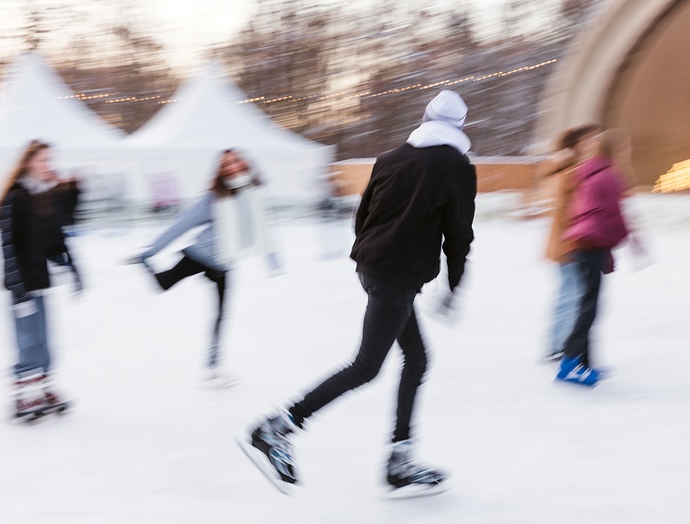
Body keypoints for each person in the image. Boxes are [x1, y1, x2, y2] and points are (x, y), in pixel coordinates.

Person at [239, 90, 477, 495]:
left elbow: (362, 215)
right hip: (397, 277)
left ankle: (400, 459)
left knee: (417, 359)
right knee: (366, 366)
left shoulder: (390, 158)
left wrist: (376, 255)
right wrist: (454, 285)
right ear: (459, 128)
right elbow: (458, 236)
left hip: (374, 267)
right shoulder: (457, 167)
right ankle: (277, 427)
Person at [128, 149, 278, 387]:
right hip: (201, 255)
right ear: (221, 171)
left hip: (224, 263)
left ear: (245, 162)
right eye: (226, 164)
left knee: (221, 315)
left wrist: (272, 260)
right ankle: (144, 263)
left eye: (236, 160)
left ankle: (214, 366)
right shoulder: (213, 199)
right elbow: (181, 225)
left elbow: (262, 228)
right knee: (163, 284)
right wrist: (151, 250)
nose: (232, 166)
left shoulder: (251, 195)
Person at [0, 139, 81, 420]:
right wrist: (19, 290)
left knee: (44, 340)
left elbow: (55, 240)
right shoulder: (15, 197)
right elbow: (8, 246)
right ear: (29, 162)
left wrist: (73, 269)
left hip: (40, 281)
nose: (48, 165)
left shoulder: (42, 197)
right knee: (27, 340)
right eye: (43, 160)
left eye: (49, 160)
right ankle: (21, 397)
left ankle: (43, 389)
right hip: (20, 284)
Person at [556, 129, 630, 387]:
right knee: (589, 307)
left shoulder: (588, 171)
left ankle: (585, 363)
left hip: (583, 242)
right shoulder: (609, 175)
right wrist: (624, 238)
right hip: (592, 244)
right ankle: (569, 362)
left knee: (587, 303)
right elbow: (614, 214)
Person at [542, 124, 601, 361]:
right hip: (571, 242)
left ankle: (561, 344)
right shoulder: (569, 170)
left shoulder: (568, 168)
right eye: (588, 140)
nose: (592, 144)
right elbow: (569, 208)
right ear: (576, 144)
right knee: (571, 295)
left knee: (571, 294)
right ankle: (560, 346)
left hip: (571, 240)